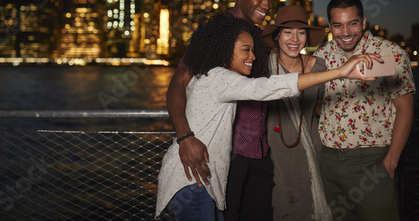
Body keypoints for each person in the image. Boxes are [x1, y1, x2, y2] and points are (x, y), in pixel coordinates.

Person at [156, 13, 379, 220]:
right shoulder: (220, 78)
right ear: (226, 50)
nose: (253, 56)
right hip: (193, 181)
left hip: (195, 179)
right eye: (246, 50)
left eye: (253, 49)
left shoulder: (212, 75)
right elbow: (267, 87)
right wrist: (340, 72)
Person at [166, 0, 277, 220]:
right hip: (227, 154)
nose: (267, 5)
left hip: (260, 152)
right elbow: (178, 82)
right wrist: (184, 136)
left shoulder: (264, 37)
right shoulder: (215, 31)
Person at [313, 0, 416, 221]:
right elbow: (316, 101)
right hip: (329, 161)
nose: (346, 32)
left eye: (352, 23)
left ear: (363, 22)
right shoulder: (321, 55)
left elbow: (406, 108)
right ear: (330, 25)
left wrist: (391, 162)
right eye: (338, 25)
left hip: (373, 160)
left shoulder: (390, 53)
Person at [262, 5, 332, 220]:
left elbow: (321, 107)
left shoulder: (320, 66)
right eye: (287, 32)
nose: (295, 38)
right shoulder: (263, 67)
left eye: (301, 32)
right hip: (272, 155)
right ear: (277, 36)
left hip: (310, 152)